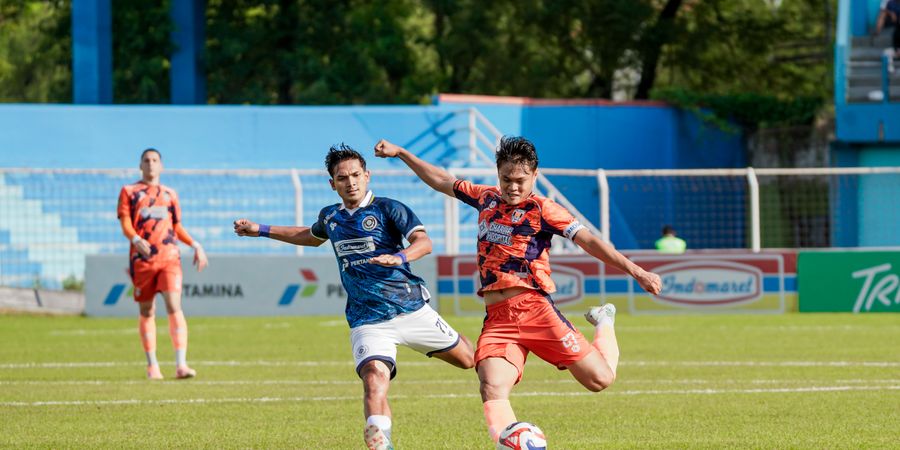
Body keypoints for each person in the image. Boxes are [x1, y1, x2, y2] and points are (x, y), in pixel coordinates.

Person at [374, 137, 662, 445]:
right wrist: (402, 153)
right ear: (498, 174)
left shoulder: (545, 209)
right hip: (498, 319)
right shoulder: (485, 198)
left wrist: (636, 271)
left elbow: (589, 241)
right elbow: (443, 180)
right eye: (506, 179)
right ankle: (514, 442)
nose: (513, 186)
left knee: (600, 380)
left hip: (536, 310)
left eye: (521, 180)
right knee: (492, 386)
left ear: (535, 176)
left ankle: (604, 321)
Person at [233, 144, 475, 450]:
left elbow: (424, 242)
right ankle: (380, 443)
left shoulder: (390, 208)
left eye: (356, 175)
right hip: (367, 319)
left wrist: (399, 257)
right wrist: (260, 229)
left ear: (368, 175)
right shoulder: (331, 216)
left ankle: (481, 347)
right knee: (374, 378)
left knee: (468, 360)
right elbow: (310, 236)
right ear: (332, 184)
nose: (351, 182)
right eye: (343, 177)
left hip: (411, 309)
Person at [117, 148, 208, 380]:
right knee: (147, 310)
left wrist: (195, 244)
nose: (150, 164)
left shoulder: (170, 194)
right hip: (143, 259)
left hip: (169, 257)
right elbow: (126, 223)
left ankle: (181, 364)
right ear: (140, 165)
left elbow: (176, 227)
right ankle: (152, 366)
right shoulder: (129, 192)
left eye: (155, 160)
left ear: (161, 166)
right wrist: (135, 239)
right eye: (146, 160)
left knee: (174, 306)